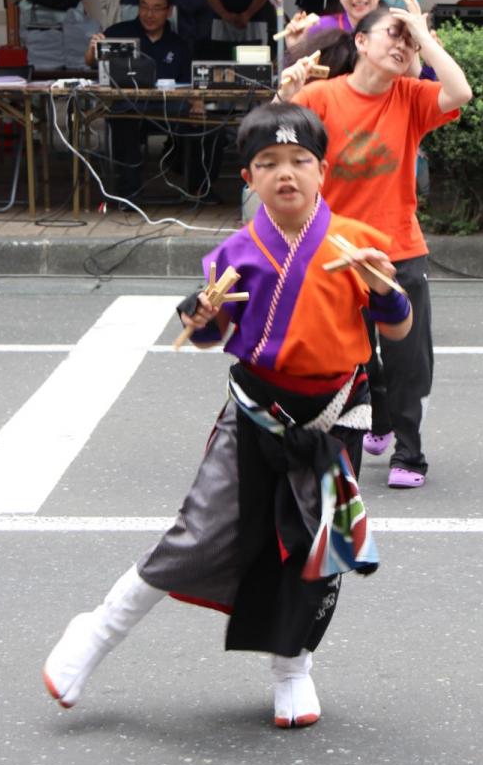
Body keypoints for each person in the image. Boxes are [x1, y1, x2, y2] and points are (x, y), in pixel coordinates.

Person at [43, 102, 411, 728]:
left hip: (333, 416)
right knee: (200, 531)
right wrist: (201, 319)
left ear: (323, 170)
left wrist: (385, 289)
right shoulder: (233, 253)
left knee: (314, 550)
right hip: (256, 412)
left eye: (299, 161)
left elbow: (398, 329)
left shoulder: (362, 245)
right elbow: (212, 336)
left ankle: (291, 668)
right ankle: (98, 631)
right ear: (249, 179)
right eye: (268, 163)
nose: (285, 174)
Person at [279, 0, 472, 488]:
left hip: (399, 251)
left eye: (410, 43)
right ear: (361, 42)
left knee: (410, 360)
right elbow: (273, 144)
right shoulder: (324, 98)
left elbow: (460, 92)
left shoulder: (409, 96)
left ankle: (410, 452)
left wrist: (424, 38)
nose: (403, 48)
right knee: (352, 358)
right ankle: (363, 436)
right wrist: (285, 96)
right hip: (337, 255)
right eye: (395, 35)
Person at [85, 0, 204, 201]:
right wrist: (92, 49)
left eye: (157, 8)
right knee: (123, 118)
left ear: (168, 11)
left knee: (207, 127)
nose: (149, 14)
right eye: (144, 7)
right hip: (129, 105)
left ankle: (198, 188)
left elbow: (190, 83)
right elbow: (91, 63)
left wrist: (198, 102)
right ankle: (129, 192)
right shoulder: (119, 33)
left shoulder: (178, 44)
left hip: (167, 106)